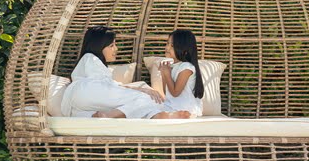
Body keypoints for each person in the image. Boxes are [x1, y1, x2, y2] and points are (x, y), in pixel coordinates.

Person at [61, 25, 190, 119]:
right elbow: (105, 86)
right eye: (111, 45)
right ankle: (156, 115)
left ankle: (158, 115)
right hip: (87, 92)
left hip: (80, 102)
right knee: (145, 97)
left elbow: (108, 87)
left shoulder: (89, 61)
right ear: (98, 46)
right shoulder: (91, 59)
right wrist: (141, 90)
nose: (116, 49)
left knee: (138, 97)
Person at [154, 29, 205, 118]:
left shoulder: (186, 67)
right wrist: (164, 74)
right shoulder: (172, 66)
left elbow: (175, 93)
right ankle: (170, 115)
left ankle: (179, 115)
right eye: (167, 43)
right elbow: (167, 93)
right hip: (172, 105)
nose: (167, 48)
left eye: (172, 45)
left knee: (152, 111)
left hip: (185, 107)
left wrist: (167, 74)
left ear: (185, 50)